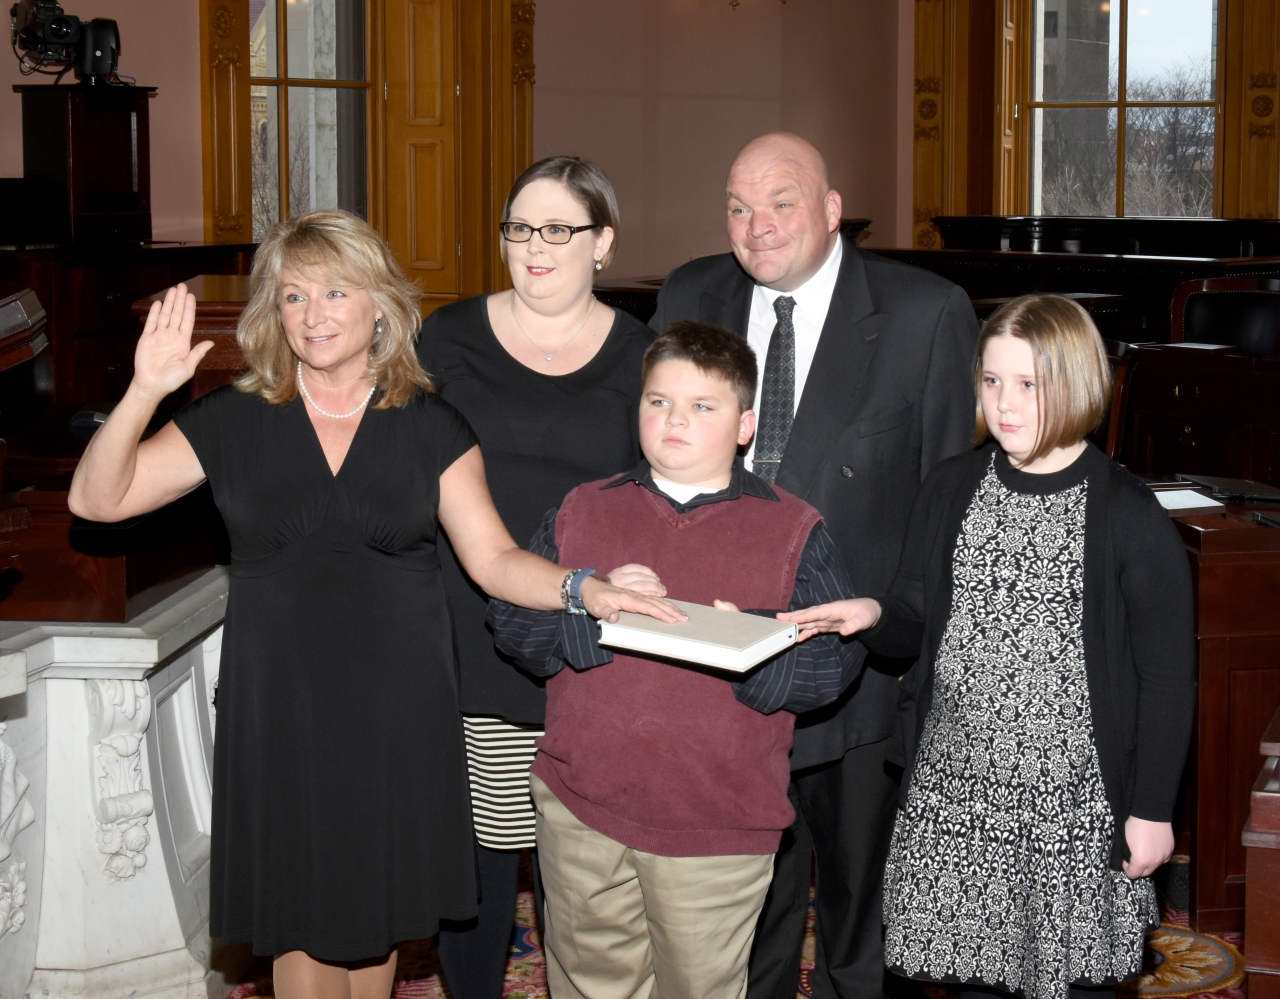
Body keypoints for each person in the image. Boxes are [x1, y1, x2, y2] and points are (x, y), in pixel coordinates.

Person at [65, 210, 681, 999]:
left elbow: (494, 559)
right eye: (293, 297)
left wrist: (582, 586)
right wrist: (146, 390)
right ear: (272, 312)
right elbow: (97, 498)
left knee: (377, 917)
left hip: (398, 708)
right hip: (282, 706)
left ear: (379, 306)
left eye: (334, 291)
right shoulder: (233, 419)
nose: (313, 315)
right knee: (301, 914)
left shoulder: (431, 426)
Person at [783, 294, 1196, 999]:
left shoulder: (1125, 511)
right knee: (977, 979)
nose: (1005, 404)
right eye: (993, 380)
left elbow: (1168, 677)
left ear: (1076, 382)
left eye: (1029, 384)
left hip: (1073, 804)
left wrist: (1152, 809)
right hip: (959, 794)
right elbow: (914, 613)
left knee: (1075, 983)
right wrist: (872, 611)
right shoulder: (952, 486)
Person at [648, 131, 979, 999]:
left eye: (782, 201)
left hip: (862, 676)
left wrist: (920, 661)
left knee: (858, 925)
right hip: (713, 663)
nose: (757, 225)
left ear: (833, 210)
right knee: (740, 916)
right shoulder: (690, 296)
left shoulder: (925, 315)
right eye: (737, 206)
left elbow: (946, 505)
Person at [488, 322, 866, 999]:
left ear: (746, 423)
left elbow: (835, 663)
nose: (674, 421)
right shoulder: (582, 509)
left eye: (703, 406)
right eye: (658, 401)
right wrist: (588, 613)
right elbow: (512, 620)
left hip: (717, 823)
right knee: (591, 981)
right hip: (584, 809)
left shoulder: (793, 528)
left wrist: (749, 649)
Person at [417, 156, 657, 999]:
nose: (535, 246)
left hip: (587, 640)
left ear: (604, 243)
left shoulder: (642, 353)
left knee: (582, 868)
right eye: (520, 227)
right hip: (467, 632)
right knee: (479, 859)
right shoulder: (445, 338)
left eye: (559, 228)